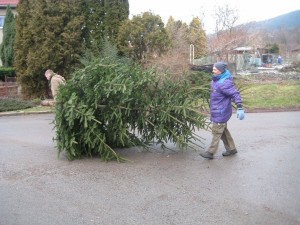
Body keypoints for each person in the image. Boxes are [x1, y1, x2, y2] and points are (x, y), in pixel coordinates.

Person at [200, 62, 245, 159]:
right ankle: (231, 149)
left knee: (217, 131)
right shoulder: (215, 80)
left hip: (221, 111)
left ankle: (210, 152)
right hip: (216, 110)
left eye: (215, 69)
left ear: (220, 70)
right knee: (223, 130)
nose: (213, 70)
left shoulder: (224, 82)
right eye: (213, 68)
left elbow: (235, 94)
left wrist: (239, 107)